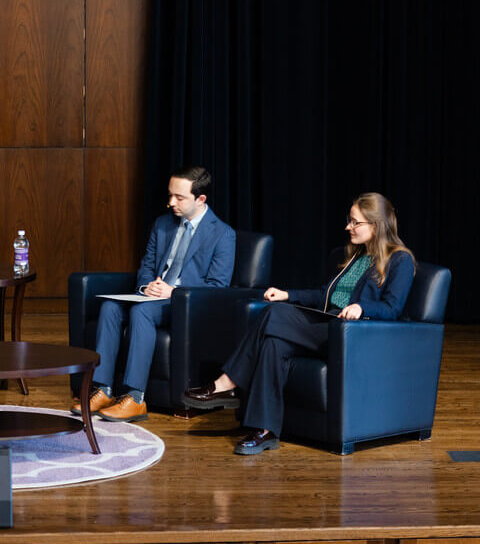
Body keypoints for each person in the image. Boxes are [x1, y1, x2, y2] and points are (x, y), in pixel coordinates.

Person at [182, 192, 415, 455]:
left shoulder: (400, 260)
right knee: (273, 343)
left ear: (376, 224)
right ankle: (265, 431)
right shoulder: (354, 257)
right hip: (325, 326)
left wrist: (362, 307)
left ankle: (227, 383)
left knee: (274, 315)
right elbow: (323, 295)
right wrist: (287, 294)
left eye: (355, 222)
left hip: (352, 336)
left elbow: (393, 308)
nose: (347, 227)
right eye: (349, 221)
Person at [73, 166, 236, 422]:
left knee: (141, 312)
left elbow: (217, 287)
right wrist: (145, 286)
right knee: (110, 308)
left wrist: (174, 292)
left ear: (200, 199)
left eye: (179, 198)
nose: (171, 202)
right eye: (170, 195)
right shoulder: (162, 225)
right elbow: (147, 267)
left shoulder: (223, 234)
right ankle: (102, 390)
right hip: (153, 296)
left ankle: (135, 399)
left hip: (184, 305)